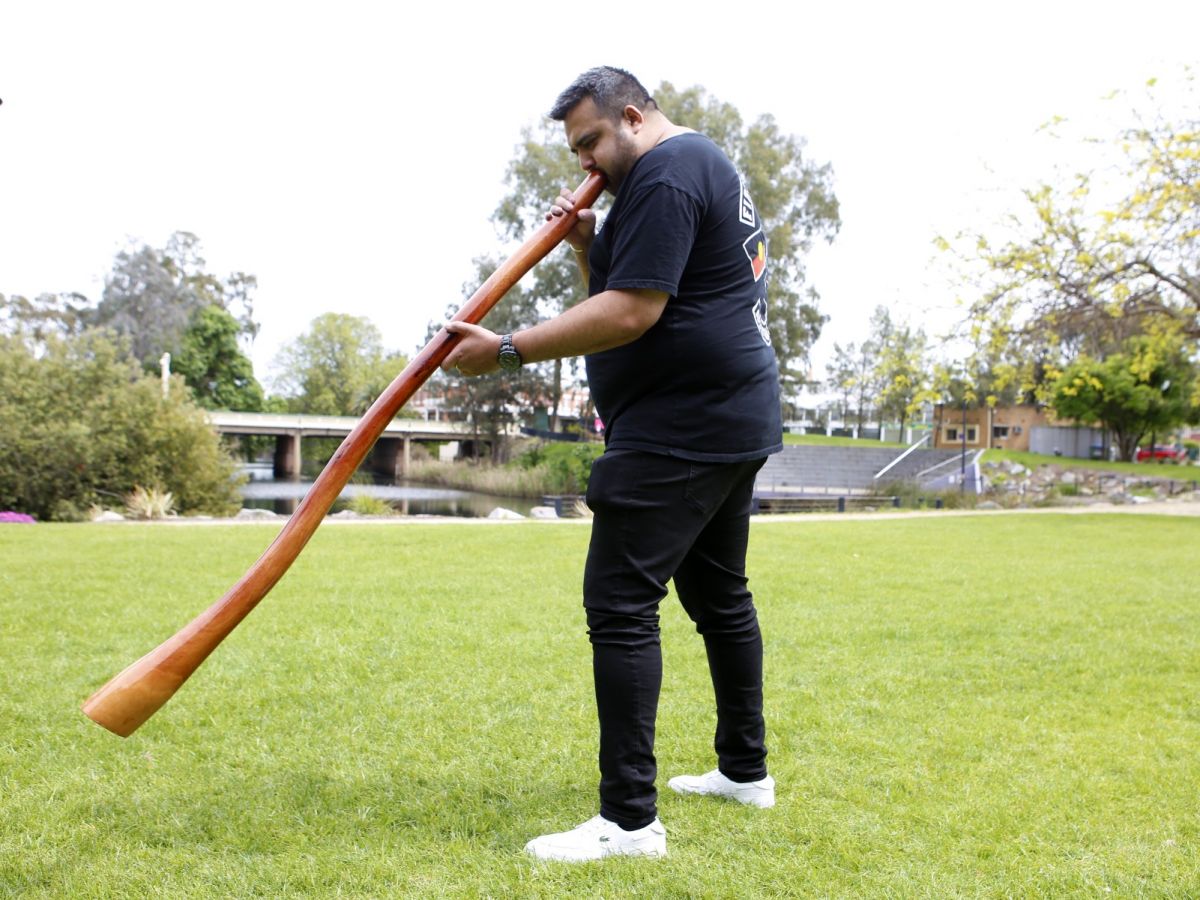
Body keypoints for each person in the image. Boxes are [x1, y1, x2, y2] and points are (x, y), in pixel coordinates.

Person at [442, 66, 782, 862]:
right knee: (719, 597)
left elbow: (633, 314)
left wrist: (506, 351)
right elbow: (624, 290)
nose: (585, 162)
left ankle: (629, 822)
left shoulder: (665, 172)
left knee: (622, 605)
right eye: (576, 150)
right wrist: (589, 247)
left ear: (632, 116)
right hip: (727, 414)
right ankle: (745, 771)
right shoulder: (689, 170)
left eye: (592, 141)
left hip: (680, 426)